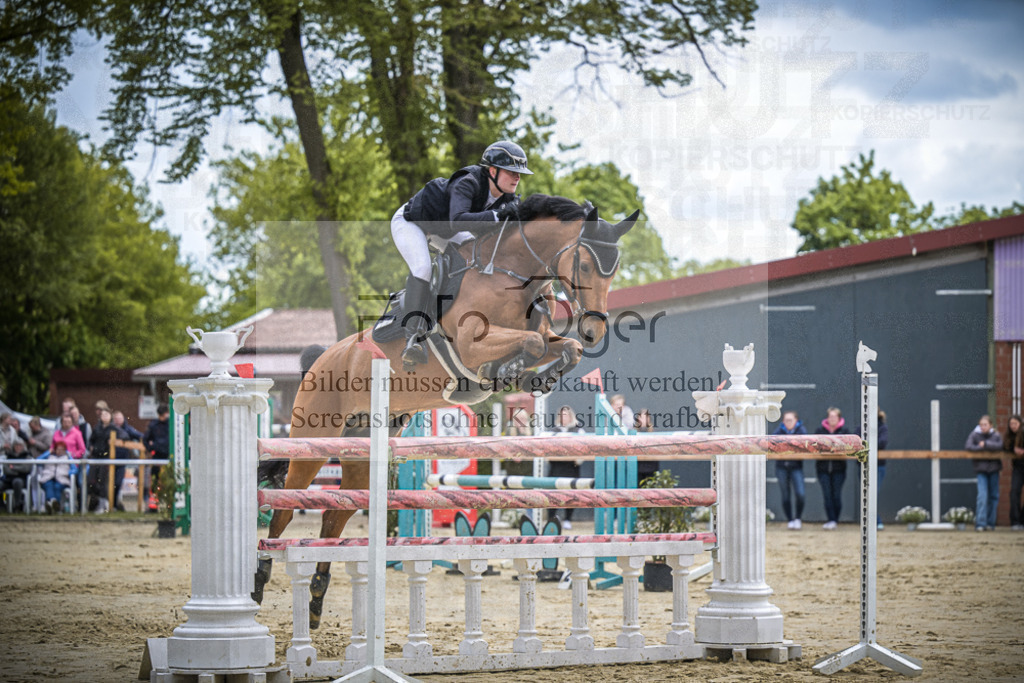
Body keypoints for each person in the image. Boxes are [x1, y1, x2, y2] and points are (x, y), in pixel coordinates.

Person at [392, 140, 533, 366]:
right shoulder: (468, 182)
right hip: (413, 223)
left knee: (475, 258)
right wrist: (498, 217)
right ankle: (413, 337)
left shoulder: (508, 196)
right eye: (511, 172)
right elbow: (457, 220)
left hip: (445, 228)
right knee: (423, 267)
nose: (517, 177)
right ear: (493, 171)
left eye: (519, 173)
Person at [544, 405, 585, 529]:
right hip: (556, 467)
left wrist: (577, 459)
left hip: (571, 467)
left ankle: (568, 519)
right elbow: (547, 450)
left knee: (571, 493)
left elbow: (583, 450)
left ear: (571, 416)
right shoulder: (553, 431)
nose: (564, 418)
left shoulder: (579, 431)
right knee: (553, 493)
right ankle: (551, 518)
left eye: (566, 415)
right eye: (562, 415)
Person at [965, 414, 1003, 531]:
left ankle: (990, 523)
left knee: (993, 496)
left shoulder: (996, 435)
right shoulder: (975, 434)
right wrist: (980, 448)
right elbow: (968, 446)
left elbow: (1000, 446)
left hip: (994, 469)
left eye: (985, 424)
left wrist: (986, 444)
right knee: (982, 496)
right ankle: (981, 523)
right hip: (981, 470)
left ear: (990, 425)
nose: (983, 427)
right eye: (981, 424)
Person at [815, 407, 851, 530]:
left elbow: (847, 446)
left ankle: (835, 519)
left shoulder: (844, 431)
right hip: (823, 469)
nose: (832, 419)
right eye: (830, 417)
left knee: (836, 495)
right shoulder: (820, 430)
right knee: (827, 495)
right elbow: (816, 446)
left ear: (839, 418)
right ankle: (831, 520)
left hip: (839, 469)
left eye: (834, 417)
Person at [87, 408, 126, 513]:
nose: (104, 416)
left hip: (106, 457)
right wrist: (90, 447)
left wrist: (114, 441)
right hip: (95, 457)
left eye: (106, 414)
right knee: (91, 481)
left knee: (103, 481)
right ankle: (96, 502)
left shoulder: (113, 428)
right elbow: (91, 440)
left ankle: (103, 504)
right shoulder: (97, 427)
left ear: (110, 416)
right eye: (103, 414)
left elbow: (124, 436)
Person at [773, 411, 807, 530]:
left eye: (790, 420)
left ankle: (798, 518)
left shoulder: (801, 430)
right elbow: (773, 445)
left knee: (800, 494)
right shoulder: (778, 431)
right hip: (781, 467)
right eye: (786, 420)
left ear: (796, 421)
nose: (788, 422)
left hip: (796, 467)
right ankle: (790, 520)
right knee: (785, 495)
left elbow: (804, 446)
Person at [112, 410, 143, 512]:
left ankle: (115, 505)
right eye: (116, 419)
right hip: (110, 461)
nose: (118, 421)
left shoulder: (128, 429)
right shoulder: (110, 429)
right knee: (109, 484)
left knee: (117, 482)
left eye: (119, 418)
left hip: (121, 460)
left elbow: (140, 436)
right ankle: (112, 505)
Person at [143, 404, 171, 511]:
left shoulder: (170, 423)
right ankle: (153, 506)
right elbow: (146, 439)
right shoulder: (154, 425)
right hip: (158, 456)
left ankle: (169, 505)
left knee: (167, 481)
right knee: (155, 481)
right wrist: (151, 449)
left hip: (168, 455)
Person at [37, 440, 72, 514]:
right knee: (49, 485)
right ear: (54, 449)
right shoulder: (49, 457)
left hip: (62, 479)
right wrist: (48, 452)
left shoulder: (67, 458)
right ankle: (54, 503)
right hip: (47, 478)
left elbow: (74, 469)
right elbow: (37, 461)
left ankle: (50, 503)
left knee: (57, 486)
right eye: (58, 449)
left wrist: (67, 473)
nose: (59, 451)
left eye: (62, 449)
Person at [0, 439, 33, 510]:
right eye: (16, 445)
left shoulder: (27, 456)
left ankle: (17, 505)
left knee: (17, 482)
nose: (18, 447)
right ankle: (2, 505)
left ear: (23, 446)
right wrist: (18, 469)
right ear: (13, 446)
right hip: (8, 479)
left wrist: (13, 467)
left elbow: (26, 468)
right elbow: (6, 469)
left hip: (22, 478)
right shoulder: (8, 455)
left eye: (20, 445)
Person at [1004, 414, 1024, 531]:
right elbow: (1005, 447)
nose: (1013, 426)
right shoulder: (1009, 435)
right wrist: (1013, 450)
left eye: (1015, 423)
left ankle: (1022, 520)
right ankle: (1015, 521)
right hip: (1018, 468)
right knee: (1014, 492)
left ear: (1020, 424)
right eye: (1011, 424)